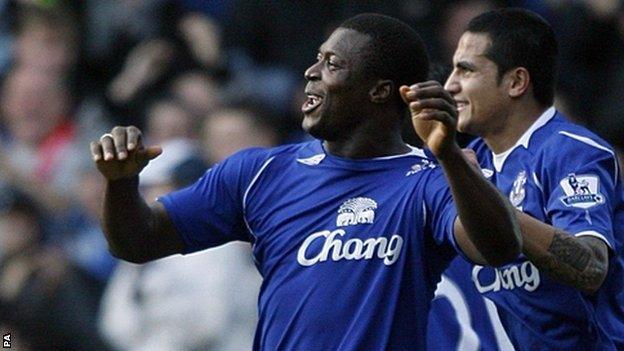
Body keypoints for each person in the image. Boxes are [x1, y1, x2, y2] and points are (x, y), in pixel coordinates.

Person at [90, 13, 522, 350]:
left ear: (379, 91)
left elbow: (499, 247)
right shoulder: (258, 174)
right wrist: (122, 184)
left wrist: (448, 154)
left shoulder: (426, 182)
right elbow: (137, 242)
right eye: (317, 58)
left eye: (332, 64)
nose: (311, 72)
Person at [411, 8, 624, 350]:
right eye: (452, 69)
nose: (450, 84)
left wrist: (488, 203)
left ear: (516, 82)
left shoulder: (569, 152)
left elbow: (591, 267)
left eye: (466, 70)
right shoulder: (471, 160)